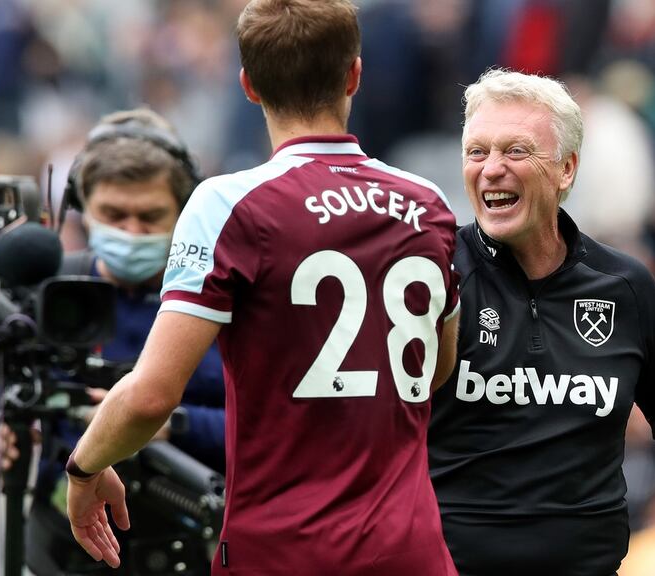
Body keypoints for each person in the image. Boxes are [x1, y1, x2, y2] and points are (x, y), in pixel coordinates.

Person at [65, 1, 461, 574]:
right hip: (410, 550)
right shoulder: (429, 203)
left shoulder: (228, 204)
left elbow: (151, 395)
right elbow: (435, 369)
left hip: (281, 550)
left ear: (248, 84)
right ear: (354, 73)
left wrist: (83, 468)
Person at [427, 69, 655, 576]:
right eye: (477, 152)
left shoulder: (623, 287)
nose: (492, 169)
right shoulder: (435, 278)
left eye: (515, 151)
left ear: (566, 169)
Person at [0, 107, 226, 575]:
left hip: (189, 550)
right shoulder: (44, 292)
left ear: (183, 214)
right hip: (59, 554)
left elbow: (265, 434)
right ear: (83, 209)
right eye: (114, 215)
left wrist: (169, 422)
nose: (131, 232)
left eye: (150, 216)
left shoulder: (218, 297)